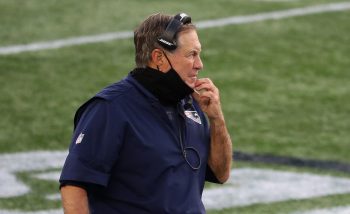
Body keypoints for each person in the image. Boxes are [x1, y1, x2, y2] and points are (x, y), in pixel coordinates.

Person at [59, 12, 232, 214]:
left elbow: (221, 173)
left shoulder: (190, 104)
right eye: (191, 54)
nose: (199, 64)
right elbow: (74, 187)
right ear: (159, 57)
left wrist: (217, 119)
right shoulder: (110, 108)